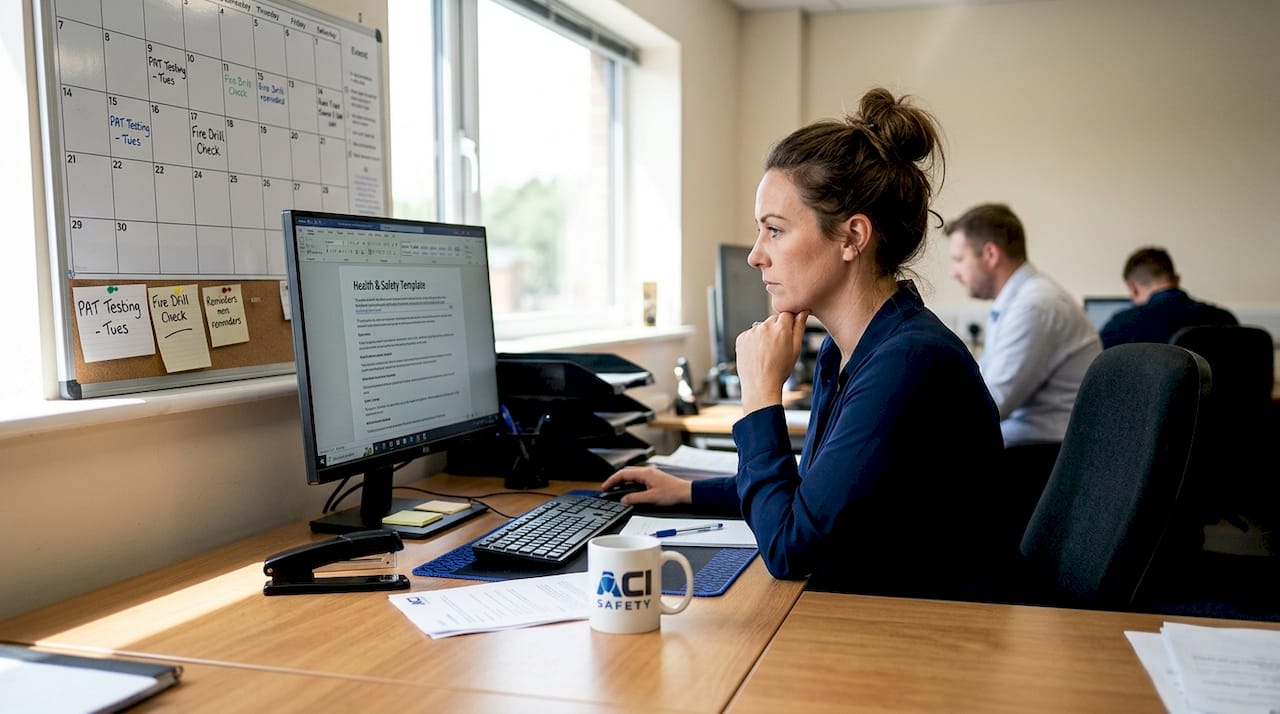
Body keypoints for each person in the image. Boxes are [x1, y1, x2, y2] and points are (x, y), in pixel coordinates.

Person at [602, 88, 1007, 600]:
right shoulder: (851, 349)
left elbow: (792, 549)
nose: (755, 256)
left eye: (774, 231)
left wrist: (760, 395)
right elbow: (816, 494)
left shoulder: (909, 362)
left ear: (851, 237)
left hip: (934, 635)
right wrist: (685, 490)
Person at [943, 204, 1101, 449]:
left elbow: (991, 405)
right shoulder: (1019, 301)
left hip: (1041, 456)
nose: (954, 272)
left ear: (990, 255)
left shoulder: (1034, 307)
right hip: (1036, 450)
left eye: (959, 260)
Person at [1099, 247, 1237, 348]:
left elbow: (1092, 376)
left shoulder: (1121, 325)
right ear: (1177, 280)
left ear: (1133, 287)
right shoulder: (1226, 320)